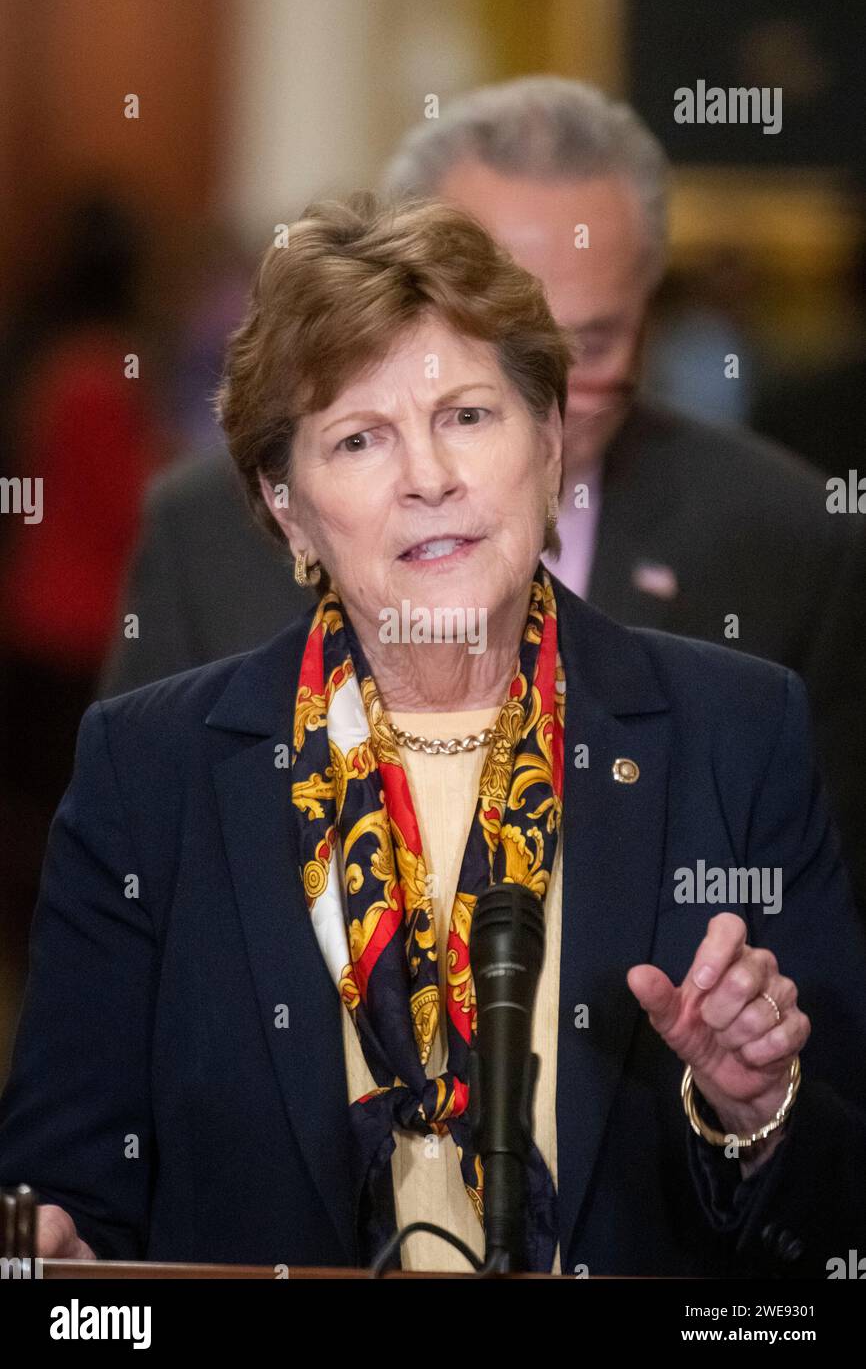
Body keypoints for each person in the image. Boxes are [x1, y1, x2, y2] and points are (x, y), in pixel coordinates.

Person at [1, 194, 865, 1276]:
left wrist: (755, 1112)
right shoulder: (150, 770)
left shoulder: (736, 731)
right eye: (359, 437)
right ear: (286, 506)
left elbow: (838, 1214)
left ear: (548, 442)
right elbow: (67, 1191)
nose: (427, 477)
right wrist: (58, 1254)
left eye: (466, 415)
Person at [97, 77, 866, 920]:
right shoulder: (203, 528)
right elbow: (137, 899)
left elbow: (822, 945)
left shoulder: (792, 540)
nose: (552, 385)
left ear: (651, 314)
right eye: (493, 336)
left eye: (591, 341)